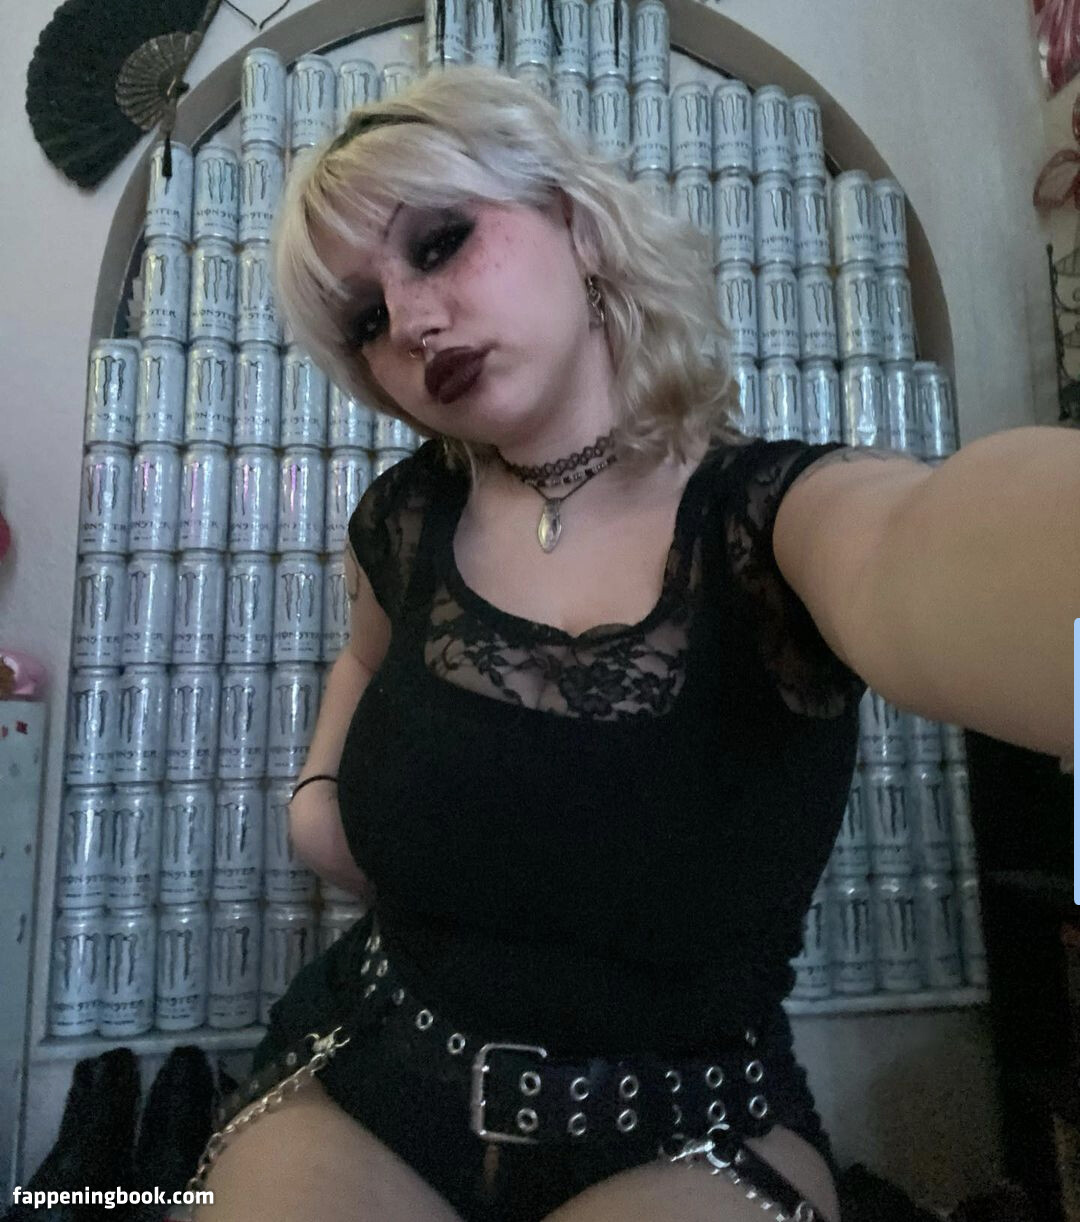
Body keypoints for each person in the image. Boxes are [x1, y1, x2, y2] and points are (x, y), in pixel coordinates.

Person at [190, 65, 1076, 1222]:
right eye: (365, 320)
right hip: (372, 1068)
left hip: (687, 1125)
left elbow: (928, 547)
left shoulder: (775, 518)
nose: (408, 322)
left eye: (440, 242)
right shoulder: (405, 520)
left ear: (576, 221)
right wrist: (318, 800)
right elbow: (364, 659)